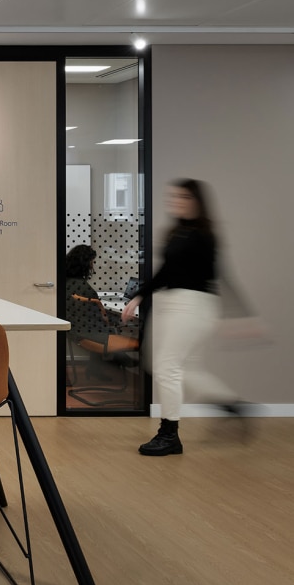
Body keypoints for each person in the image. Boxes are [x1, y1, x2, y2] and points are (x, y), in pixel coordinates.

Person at [122, 178, 244, 456]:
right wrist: (139, 297)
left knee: (167, 366)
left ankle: (169, 434)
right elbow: (165, 271)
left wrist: (236, 316)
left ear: (197, 202)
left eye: (184, 197)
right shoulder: (177, 232)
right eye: (174, 197)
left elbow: (220, 276)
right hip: (173, 303)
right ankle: (230, 403)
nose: (177, 202)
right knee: (183, 367)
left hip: (193, 305)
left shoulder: (204, 236)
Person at [64, 245, 136, 380]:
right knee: (129, 336)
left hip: (75, 332)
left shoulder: (67, 283)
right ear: (84, 264)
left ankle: (100, 366)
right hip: (89, 335)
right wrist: (122, 318)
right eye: (91, 262)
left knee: (103, 327)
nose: (92, 266)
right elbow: (100, 319)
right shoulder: (84, 289)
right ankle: (118, 358)